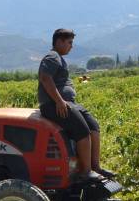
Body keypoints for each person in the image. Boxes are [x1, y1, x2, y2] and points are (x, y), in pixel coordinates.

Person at [37, 29, 109, 182]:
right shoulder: (52, 56)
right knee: (82, 131)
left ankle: (95, 166)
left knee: (93, 127)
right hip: (53, 105)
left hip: (67, 103)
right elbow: (45, 77)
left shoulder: (59, 58)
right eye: (69, 42)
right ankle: (86, 171)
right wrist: (59, 101)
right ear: (59, 42)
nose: (71, 46)